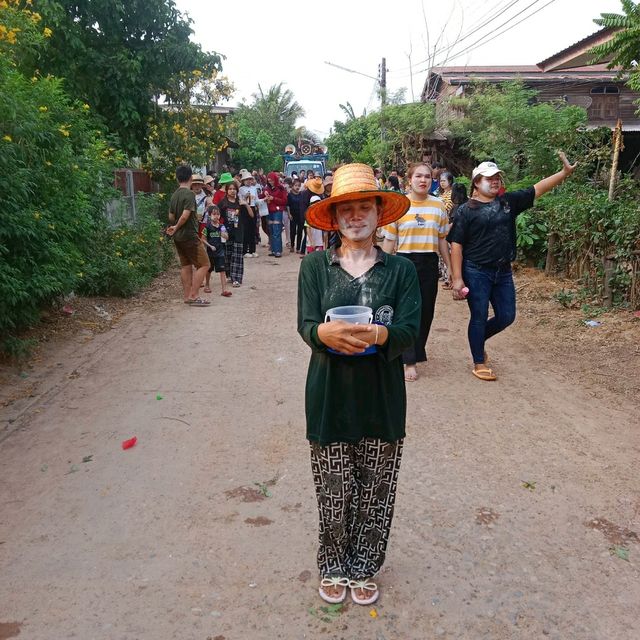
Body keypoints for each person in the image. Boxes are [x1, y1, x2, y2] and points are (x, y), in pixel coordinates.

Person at [297, 163, 420, 608]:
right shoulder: (315, 267)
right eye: (345, 209)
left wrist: (381, 335)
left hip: (382, 398)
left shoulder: (401, 271)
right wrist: (321, 335)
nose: (354, 216)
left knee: (375, 486)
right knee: (333, 486)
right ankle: (332, 562)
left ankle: (365, 564)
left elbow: (410, 329)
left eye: (363, 207)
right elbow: (305, 324)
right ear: (334, 218)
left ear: (378, 212)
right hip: (328, 394)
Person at [448, 152, 577, 381]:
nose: (495, 180)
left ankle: (478, 339)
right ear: (476, 183)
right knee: (478, 316)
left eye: (497, 176)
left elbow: (538, 188)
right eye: (489, 177)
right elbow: (456, 245)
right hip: (476, 271)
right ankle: (479, 361)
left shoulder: (508, 202)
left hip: (503, 271)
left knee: (507, 316)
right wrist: (457, 278)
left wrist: (564, 173)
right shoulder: (466, 211)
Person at [381, 162, 451, 382]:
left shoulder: (438, 206)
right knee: (405, 310)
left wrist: (451, 269)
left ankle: (416, 352)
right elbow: (389, 241)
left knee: (426, 311)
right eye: (418, 176)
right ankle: (408, 359)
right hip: (403, 262)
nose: (423, 180)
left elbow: (442, 240)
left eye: (428, 177)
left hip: (428, 263)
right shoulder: (399, 205)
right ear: (408, 179)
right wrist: (381, 268)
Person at [166, 165, 211, 307]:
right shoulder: (190, 195)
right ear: (191, 178)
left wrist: (173, 227)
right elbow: (185, 216)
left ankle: (187, 296)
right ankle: (194, 295)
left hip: (178, 237)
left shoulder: (174, 195)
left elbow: (171, 216)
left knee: (185, 265)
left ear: (177, 178)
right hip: (189, 235)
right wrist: (178, 226)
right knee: (204, 264)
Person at [218, 180, 252, 287]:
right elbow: (216, 216)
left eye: (234, 189)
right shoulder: (223, 203)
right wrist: (220, 229)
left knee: (237, 255)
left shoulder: (240, 202)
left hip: (238, 231)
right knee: (227, 255)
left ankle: (236, 278)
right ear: (227, 191)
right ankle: (230, 275)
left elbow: (251, 215)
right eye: (230, 189)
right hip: (227, 232)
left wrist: (246, 204)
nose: (232, 191)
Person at [202, 205, 232, 297]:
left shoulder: (222, 226)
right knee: (209, 269)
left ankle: (224, 289)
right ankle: (207, 285)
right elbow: (202, 239)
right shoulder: (207, 227)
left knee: (222, 270)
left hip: (220, 251)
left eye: (218, 214)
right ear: (210, 215)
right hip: (210, 252)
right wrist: (210, 246)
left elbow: (227, 237)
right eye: (214, 214)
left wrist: (224, 234)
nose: (216, 216)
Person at [263, 171, 288, 257]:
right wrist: (264, 195)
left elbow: (284, 201)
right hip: (269, 211)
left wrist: (273, 198)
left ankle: (278, 250)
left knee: (277, 230)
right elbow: (261, 196)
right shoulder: (266, 189)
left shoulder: (281, 189)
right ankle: (273, 249)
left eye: (272, 180)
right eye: (269, 180)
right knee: (271, 230)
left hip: (277, 211)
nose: (270, 182)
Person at [288, 178, 305, 253]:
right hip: (292, 215)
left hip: (300, 215)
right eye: (296, 185)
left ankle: (298, 247)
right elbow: (287, 205)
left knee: (300, 231)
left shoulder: (302, 194)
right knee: (292, 231)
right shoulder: (289, 194)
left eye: (299, 186)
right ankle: (292, 245)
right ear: (292, 186)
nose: (297, 187)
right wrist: (289, 214)